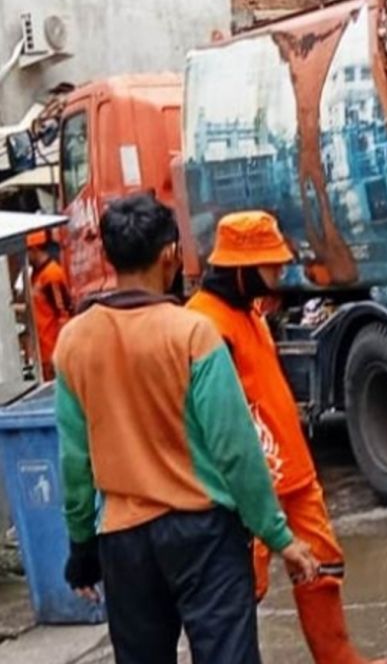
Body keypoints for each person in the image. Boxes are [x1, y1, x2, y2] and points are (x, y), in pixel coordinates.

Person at [53, 194, 319, 663]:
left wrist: (81, 547)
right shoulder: (192, 334)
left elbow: (75, 462)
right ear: (170, 256)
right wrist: (279, 537)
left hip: (123, 539)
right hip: (204, 535)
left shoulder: (73, 342)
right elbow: (235, 450)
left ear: (109, 257)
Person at [187, 211, 387, 664]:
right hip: (249, 487)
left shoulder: (249, 314)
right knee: (241, 588)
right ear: (242, 269)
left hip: (293, 474)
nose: (280, 273)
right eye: (270, 265)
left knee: (323, 567)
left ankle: (338, 658)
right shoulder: (203, 325)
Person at [27, 229, 71, 380]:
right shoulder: (36, 275)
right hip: (43, 354)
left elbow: (63, 314)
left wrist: (59, 352)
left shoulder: (52, 274)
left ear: (34, 250)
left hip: (52, 352)